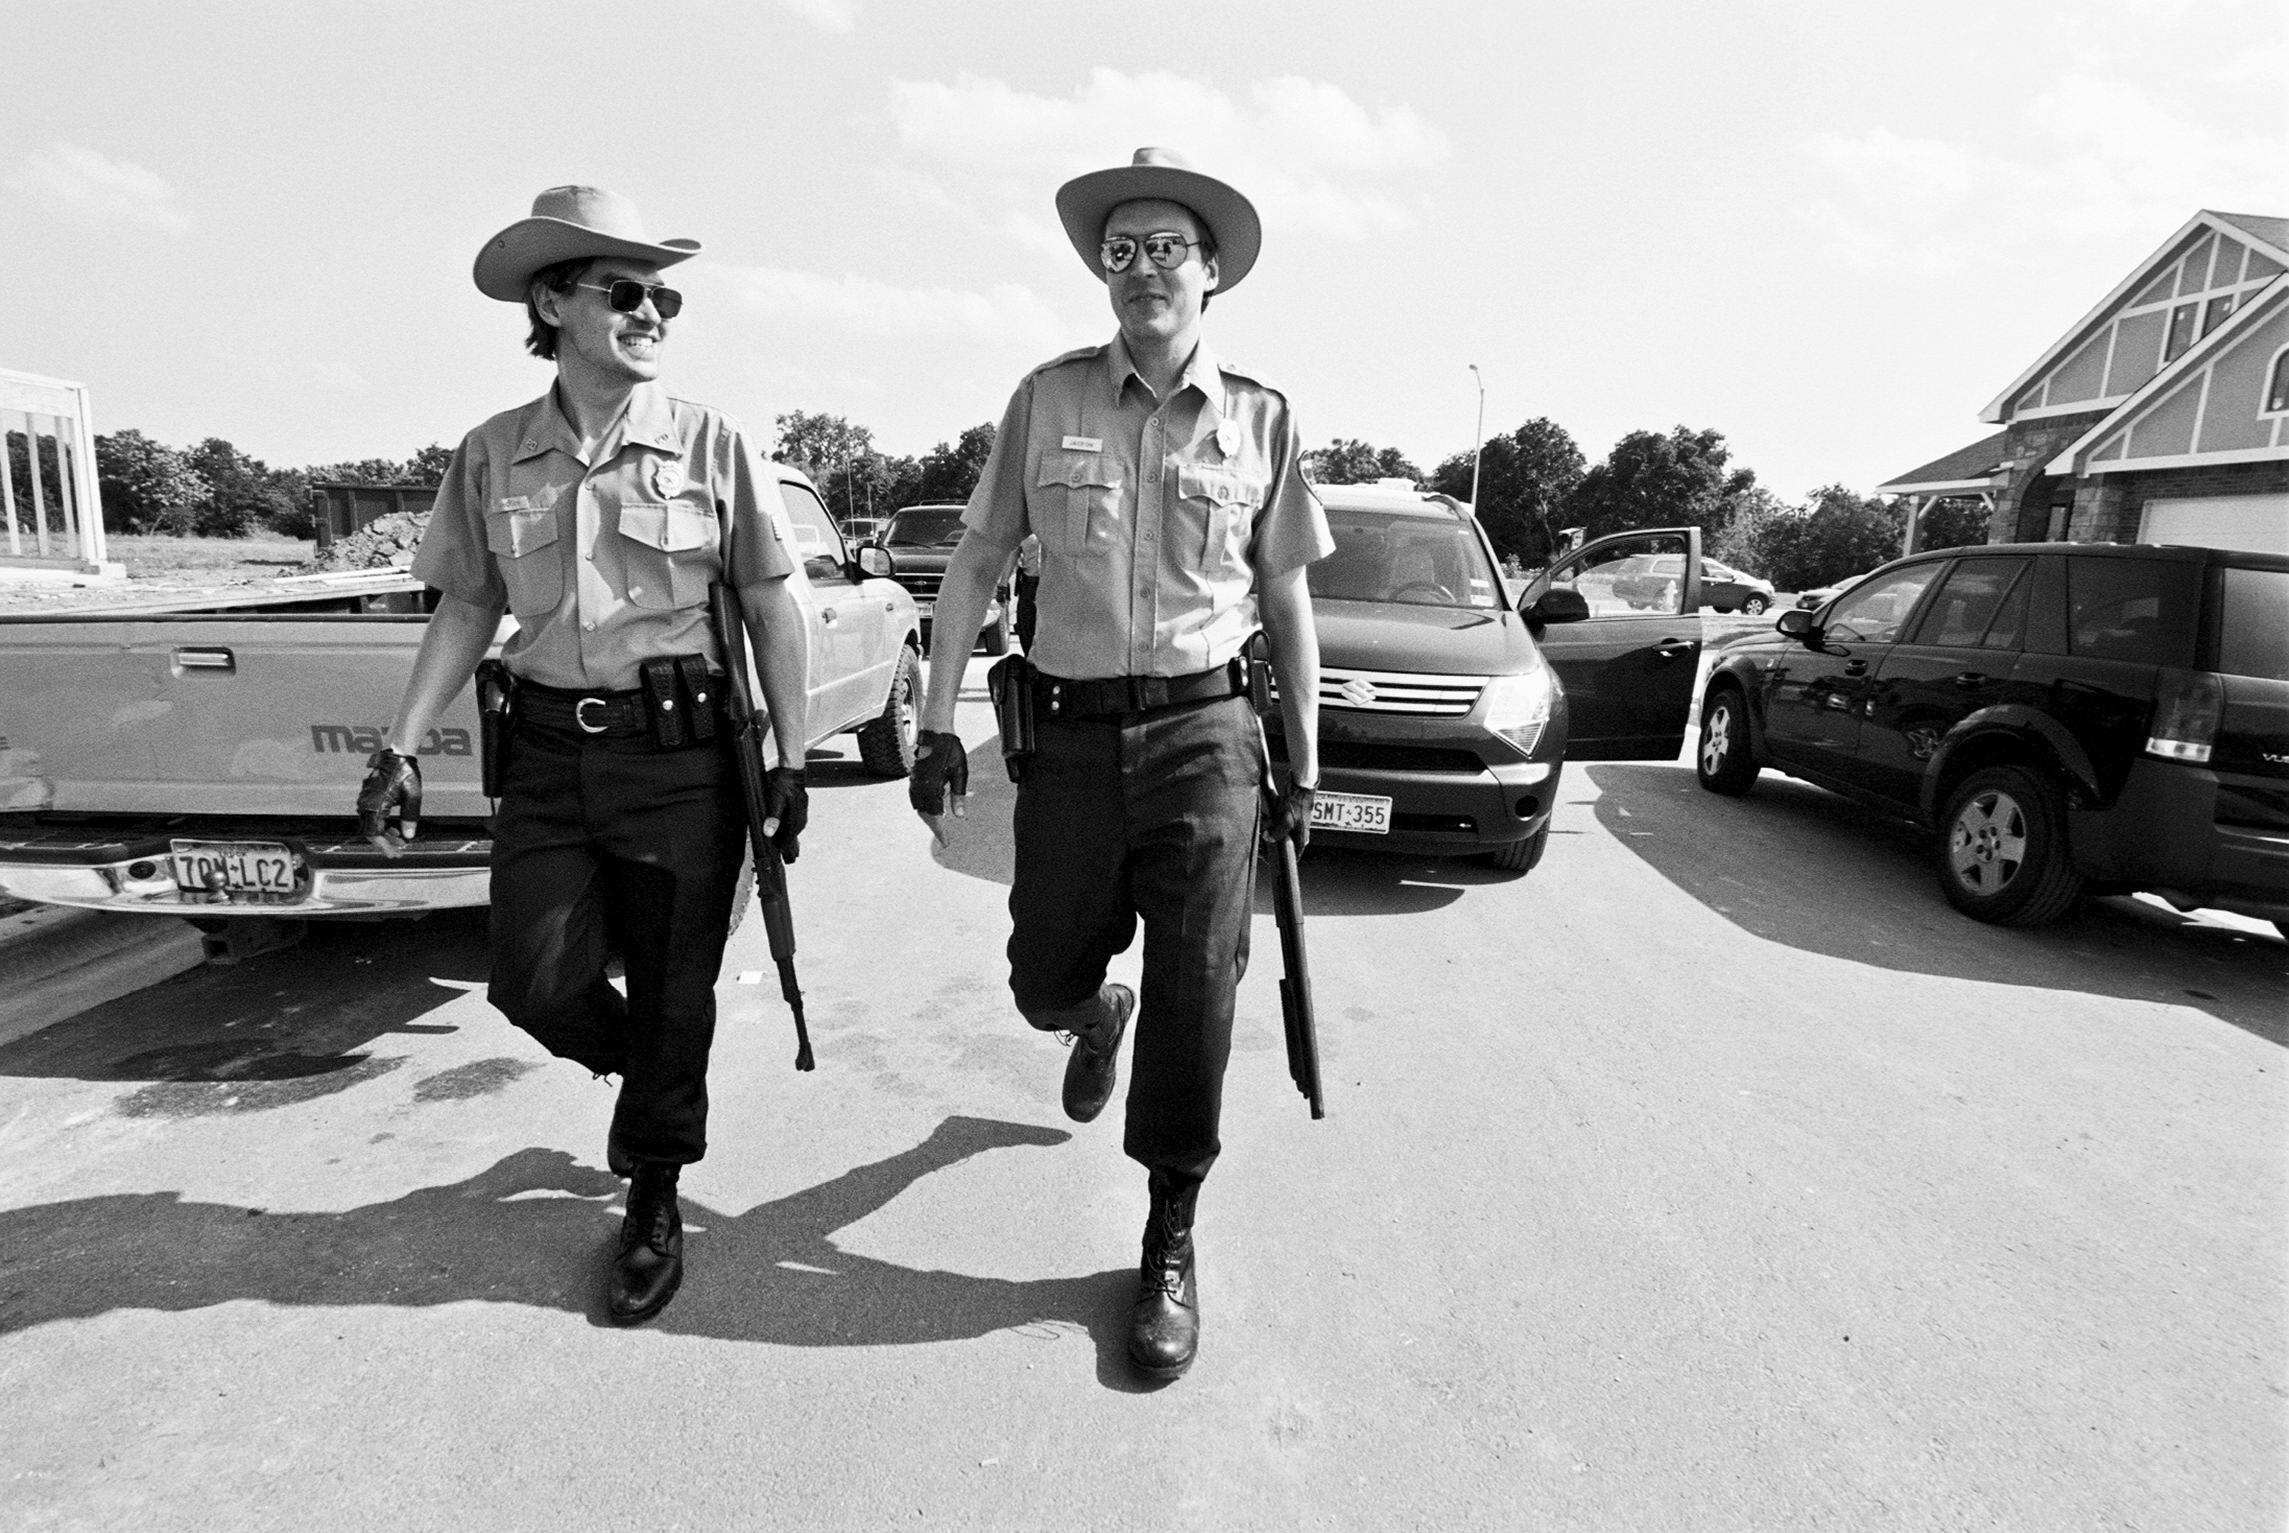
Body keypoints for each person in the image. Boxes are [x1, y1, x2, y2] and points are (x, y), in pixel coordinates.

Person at [907, 148, 1330, 1381]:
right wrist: (934, 722)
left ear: (1212, 275)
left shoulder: (1261, 417)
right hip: (1078, 736)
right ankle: (1093, 1017)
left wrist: (1303, 760)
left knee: (1202, 993)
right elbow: (977, 560)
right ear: (1105, 271)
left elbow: (1288, 601)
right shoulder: (1046, 400)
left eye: (1168, 250)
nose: (1144, 270)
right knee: (1041, 969)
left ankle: (1168, 1234)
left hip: (1208, 734)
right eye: (1122, 250)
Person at [356, 186, 811, 1326]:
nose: (652, 311)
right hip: (552, 749)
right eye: (626, 292)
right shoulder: (492, 452)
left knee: (675, 986)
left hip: (683, 757)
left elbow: (771, 599)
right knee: (531, 977)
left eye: (665, 295)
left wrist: (792, 757)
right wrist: (401, 744)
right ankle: (649, 1074)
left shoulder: (712, 443)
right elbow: (467, 605)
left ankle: (654, 1188)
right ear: (552, 304)